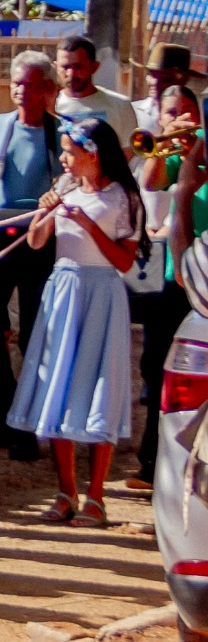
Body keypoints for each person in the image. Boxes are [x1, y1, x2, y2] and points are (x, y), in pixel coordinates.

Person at [8, 116, 144, 525]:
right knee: (60, 385)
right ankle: (65, 492)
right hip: (63, 290)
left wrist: (87, 225)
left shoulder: (124, 198)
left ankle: (97, 496)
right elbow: (35, 242)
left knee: (101, 385)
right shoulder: (63, 188)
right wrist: (44, 213)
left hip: (101, 293)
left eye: (70, 151)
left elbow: (122, 261)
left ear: (94, 154)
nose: (64, 159)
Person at [0, 52, 62, 460]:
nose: (22, 91)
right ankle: (9, 404)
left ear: (48, 90)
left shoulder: (64, 134)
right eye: (17, 83)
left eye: (31, 84)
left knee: (34, 334)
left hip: (43, 240)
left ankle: (26, 420)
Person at [126, 80, 201, 486]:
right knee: (158, 367)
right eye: (171, 113)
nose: (179, 119)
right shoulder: (175, 147)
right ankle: (151, 464)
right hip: (173, 273)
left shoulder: (202, 145)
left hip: (200, 273)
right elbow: (152, 182)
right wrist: (163, 140)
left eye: (186, 112)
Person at [56, 33, 139, 146]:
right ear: (56, 67)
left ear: (94, 67)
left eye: (78, 67)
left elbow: (130, 151)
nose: (71, 73)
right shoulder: (51, 107)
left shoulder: (120, 105)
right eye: (65, 67)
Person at [135, 43, 196, 134]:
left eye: (165, 78)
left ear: (183, 81)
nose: (155, 83)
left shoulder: (197, 114)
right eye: (151, 75)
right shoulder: (132, 112)